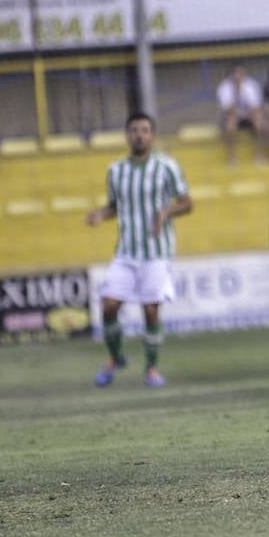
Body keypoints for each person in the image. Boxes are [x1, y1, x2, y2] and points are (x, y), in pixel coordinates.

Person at [85, 112, 193, 388]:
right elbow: (114, 205)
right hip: (126, 252)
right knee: (108, 305)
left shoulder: (167, 166)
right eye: (134, 130)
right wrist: (100, 214)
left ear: (152, 135)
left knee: (151, 310)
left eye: (144, 130)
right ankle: (116, 357)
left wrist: (166, 212)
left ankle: (152, 368)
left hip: (157, 252)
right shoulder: (116, 171)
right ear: (127, 135)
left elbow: (187, 202)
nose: (139, 135)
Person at [218, 65, 269, 164]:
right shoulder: (224, 87)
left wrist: (250, 113)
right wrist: (236, 92)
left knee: (259, 123)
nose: (239, 77)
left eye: (241, 73)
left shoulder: (251, 85)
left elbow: (256, 107)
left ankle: (259, 155)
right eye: (236, 74)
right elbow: (226, 109)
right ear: (231, 75)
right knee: (230, 125)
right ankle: (231, 157)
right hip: (233, 115)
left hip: (249, 114)